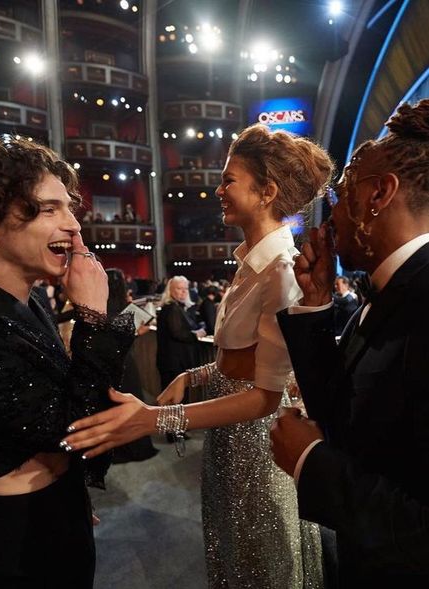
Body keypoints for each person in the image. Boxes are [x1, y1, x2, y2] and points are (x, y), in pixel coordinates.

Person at [61, 123, 334, 588]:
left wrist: (156, 420)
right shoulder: (252, 263)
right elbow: (240, 359)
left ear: (266, 192)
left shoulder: (280, 271)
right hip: (230, 436)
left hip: (259, 443)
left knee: (265, 564)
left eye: (229, 179)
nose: (218, 189)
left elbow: (267, 395)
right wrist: (194, 373)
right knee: (233, 554)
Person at [0, 136, 135, 589]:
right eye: (50, 209)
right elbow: (75, 427)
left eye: (70, 208)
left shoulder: (29, 300)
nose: (75, 225)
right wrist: (93, 316)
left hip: (58, 513)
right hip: (16, 543)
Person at [271, 99, 429, 588]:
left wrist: (311, 463)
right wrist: (315, 304)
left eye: (339, 197)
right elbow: (347, 412)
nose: (329, 217)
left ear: (379, 194)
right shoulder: (391, 287)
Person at [105, 268, 158, 463]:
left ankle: (118, 448)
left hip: (110, 362)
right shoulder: (121, 307)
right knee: (131, 401)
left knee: (115, 404)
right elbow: (122, 337)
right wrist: (137, 332)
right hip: (125, 361)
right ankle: (135, 447)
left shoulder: (102, 306)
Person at [156, 276, 206, 392]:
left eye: (186, 288)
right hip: (173, 363)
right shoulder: (172, 308)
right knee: (175, 400)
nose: (184, 292)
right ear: (170, 290)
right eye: (179, 288)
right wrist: (196, 334)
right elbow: (177, 333)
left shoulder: (177, 307)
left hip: (173, 361)